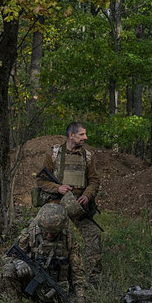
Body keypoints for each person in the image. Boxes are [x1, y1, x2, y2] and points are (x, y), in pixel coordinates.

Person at [35, 121, 102, 283]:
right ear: (71, 135)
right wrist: (58, 188)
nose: (85, 137)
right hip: (56, 203)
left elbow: (94, 181)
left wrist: (87, 195)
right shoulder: (54, 154)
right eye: (82, 134)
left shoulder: (87, 156)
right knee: (48, 234)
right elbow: (41, 180)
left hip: (77, 205)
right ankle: (46, 273)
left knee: (93, 235)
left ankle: (92, 279)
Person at [0, 202, 88, 303]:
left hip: (55, 289)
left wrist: (81, 299)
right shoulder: (29, 234)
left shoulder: (68, 240)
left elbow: (78, 272)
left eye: (53, 233)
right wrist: (18, 263)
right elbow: (6, 258)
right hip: (30, 284)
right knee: (8, 270)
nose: (49, 235)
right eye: (46, 231)